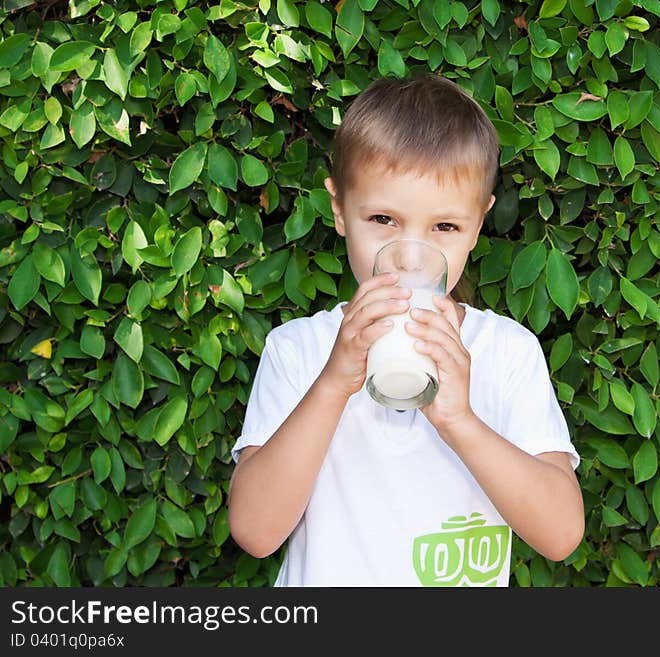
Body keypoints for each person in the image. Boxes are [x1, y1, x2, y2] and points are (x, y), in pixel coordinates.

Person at [227, 74, 584, 586]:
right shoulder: (299, 351)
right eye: (383, 219)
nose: (414, 257)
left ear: (478, 223)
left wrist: (460, 420)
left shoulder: (505, 353)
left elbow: (560, 534)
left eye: (444, 227)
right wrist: (332, 384)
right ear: (339, 209)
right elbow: (256, 532)